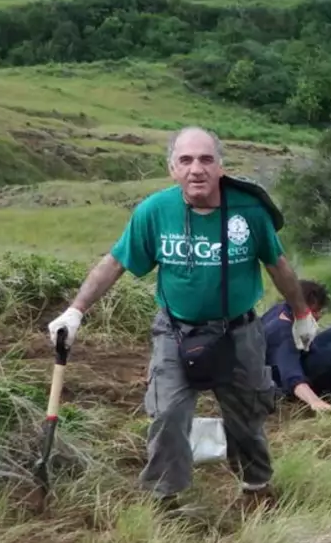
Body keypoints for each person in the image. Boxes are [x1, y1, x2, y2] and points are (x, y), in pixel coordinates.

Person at [46, 127, 316, 503]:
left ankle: (256, 488)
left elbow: (278, 265)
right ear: (172, 169)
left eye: (206, 159)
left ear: (220, 167)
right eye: (185, 160)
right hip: (175, 332)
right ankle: (165, 498)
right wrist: (75, 311)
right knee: (168, 413)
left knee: (247, 417)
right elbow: (115, 263)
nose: (196, 169)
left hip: (239, 332)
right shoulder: (155, 212)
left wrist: (301, 314)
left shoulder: (249, 211)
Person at [262, 279, 331, 412]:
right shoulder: (284, 335)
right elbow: (292, 377)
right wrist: (314, 401)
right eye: (315, 311)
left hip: (301, 354)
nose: (319, 316)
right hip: (281, 377)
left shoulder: (284, 309)